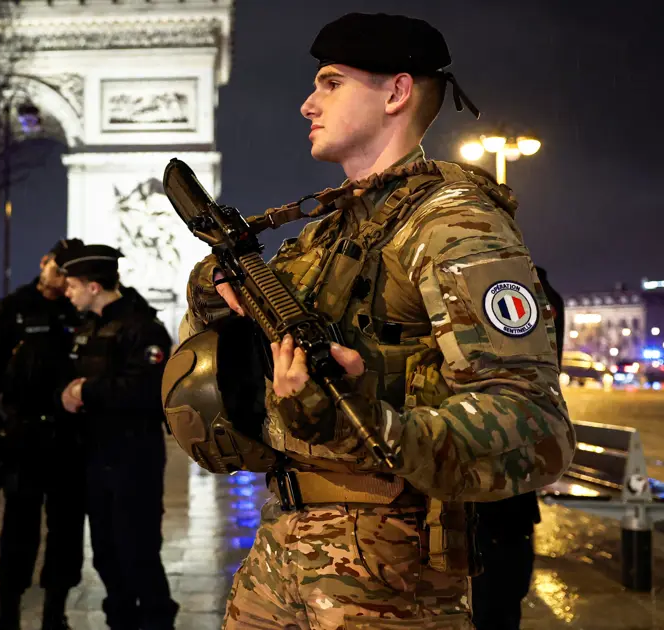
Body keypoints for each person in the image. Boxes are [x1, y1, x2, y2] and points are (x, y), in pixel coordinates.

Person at [177, 12, 575, 628]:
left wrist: (364, 415)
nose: (308, 104)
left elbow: (533, 427)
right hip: (284, 548)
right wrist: (218, 279)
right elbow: (215, 318)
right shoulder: (327, 232)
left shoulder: (455, 226)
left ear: (396, 92)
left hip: (392, 573)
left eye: (331, 83)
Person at [57, 244, 179, 630]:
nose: (67, 292)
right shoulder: (89, 326)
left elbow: (145, 391)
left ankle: (158, 621)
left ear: (94, 286)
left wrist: (84, 392)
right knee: (106, 554)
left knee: (138, 552)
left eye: (72, 285)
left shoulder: (142, 329)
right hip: (96, 455)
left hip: (133, 456)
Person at [0, 239, 88, 630]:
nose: (62, 279)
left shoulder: (77, 310)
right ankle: (8, 610)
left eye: (70, 273)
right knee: (18, 531)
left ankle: (54, 612)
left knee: (66, 533)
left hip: (68, 439)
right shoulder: (13, 308)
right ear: (44, 263)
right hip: (23, 437)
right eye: (58, 269)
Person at [470, 265, 564, 630]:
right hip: (503, 503)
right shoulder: (531, 283)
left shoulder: (511, 283)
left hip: (492, 502)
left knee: (493, 609)